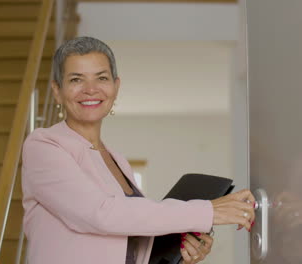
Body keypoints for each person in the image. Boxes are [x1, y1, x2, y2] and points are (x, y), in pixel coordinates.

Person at [21, 36, 256, 264]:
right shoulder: (43, 146)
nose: (90, 89)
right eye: (76, 80)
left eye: (101, 78)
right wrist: (208, 211)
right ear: (56, 90)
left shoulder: (118, 160)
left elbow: (130, 244)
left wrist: (181, 252)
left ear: (116, 86)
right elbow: (100, 214)